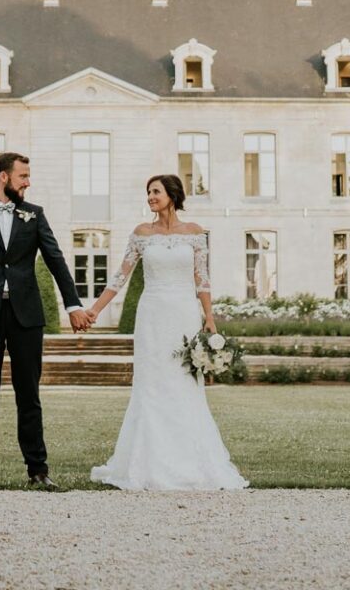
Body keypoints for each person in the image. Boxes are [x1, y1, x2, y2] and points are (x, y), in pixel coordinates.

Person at [85, 174, 248, 490]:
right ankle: (146, 462)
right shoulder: (141, 234)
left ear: (172, 195)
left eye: (155, 191)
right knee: (152, 383)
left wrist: (209, 317)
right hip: (152, 315)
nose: (150, 197)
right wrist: (95, 309)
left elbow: (202, 279)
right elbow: (120, 277)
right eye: (147, 192)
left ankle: (192, 462)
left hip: (184, 314)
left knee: (184, 382)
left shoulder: (194, 233)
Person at [0, 152, 92, 490]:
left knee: (29, 395)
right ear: (3, 177)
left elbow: (55, 259)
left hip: (26, 316)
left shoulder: (34, 214)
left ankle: (38, 471)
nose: (28, 182)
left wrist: (73, 305)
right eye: (23, 176)